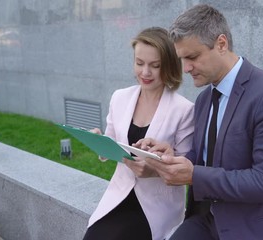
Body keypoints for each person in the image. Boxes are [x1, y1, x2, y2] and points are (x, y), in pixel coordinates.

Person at [137, 4, 263, 240]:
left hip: (256, 226)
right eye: (182, 59)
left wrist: (194, 175)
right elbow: (207, 156)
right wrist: (171, 157)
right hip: (207, 219)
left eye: (192, 57)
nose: (186, 68)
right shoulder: (205, 99)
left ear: (222, 44)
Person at [82, 27, 194, 240]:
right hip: (119, 194)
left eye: (155, 65)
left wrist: (153, 170)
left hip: (157, 205)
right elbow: (112, 145)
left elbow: (186, 168)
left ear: (169, 65)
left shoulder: (184, 109)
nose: (145, 73)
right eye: (139, 63)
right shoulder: (120, 97)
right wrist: (99, 142)